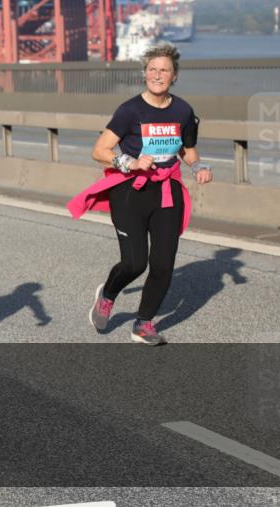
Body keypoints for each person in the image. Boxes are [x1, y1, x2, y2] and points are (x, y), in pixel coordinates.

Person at [68, 43, 213, 346]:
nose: (157, 75)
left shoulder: (183, 110)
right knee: (135, 263)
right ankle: (107, 294)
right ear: (144, 73)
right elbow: (100, 150)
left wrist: (198, 165)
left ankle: (143, 324)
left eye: (164, 70)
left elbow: (187, 148)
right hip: (130, 193)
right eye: (152, 69)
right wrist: (129, 162)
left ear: (174, 76)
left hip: (166, 193)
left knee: (163, 264)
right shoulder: (130, 110)